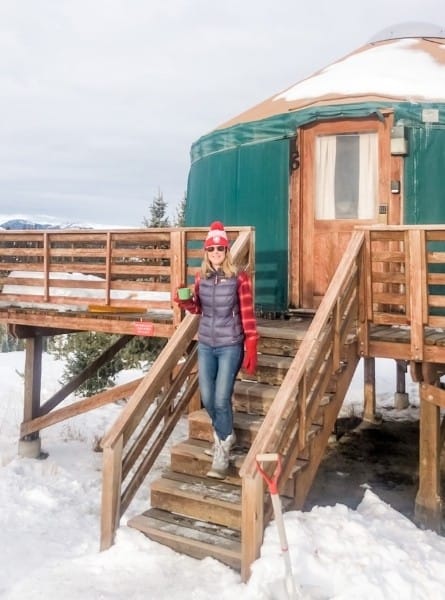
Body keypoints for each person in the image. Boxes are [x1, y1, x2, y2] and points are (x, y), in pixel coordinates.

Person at [174, 221, 258, 479]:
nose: (216, 254)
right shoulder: (202, 278)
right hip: (207, 344)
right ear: (206, 252)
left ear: (227, 251)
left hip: (230, 344)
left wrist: (251, 342)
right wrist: (187, 301)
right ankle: (226, 436)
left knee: (222, 398)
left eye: (220, 249)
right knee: (208, 398)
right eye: (211, 250)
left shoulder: (239, 278)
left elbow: (247, 313)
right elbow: (199, 309)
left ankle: (221, 452)